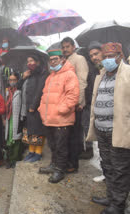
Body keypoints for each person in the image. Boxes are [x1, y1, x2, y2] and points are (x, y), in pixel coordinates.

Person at [87, 42, 130, 214]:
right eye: (104, 57)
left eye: (111, 56)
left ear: (120, 56)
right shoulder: (102, 75)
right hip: (102, 130)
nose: (107, 60)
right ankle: (111, 198)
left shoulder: (127, 74)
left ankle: (118, 205)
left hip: (118, 130)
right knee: (108, 166)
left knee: (120, 169)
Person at [38, 49, 79, 183]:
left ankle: (60, 170)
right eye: (51, 60)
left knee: (61, 147)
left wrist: (61, 110)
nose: (53, 62)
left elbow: (72, 96)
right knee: (53, 145)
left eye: (55, 59)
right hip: (49, 119)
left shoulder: (69, 75)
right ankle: (54, 165)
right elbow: (45, 95)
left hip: (62, 119)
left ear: (62, 59)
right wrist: (41, 109)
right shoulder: (51, 76)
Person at [61, 37, 89, 173]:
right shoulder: (64, 61)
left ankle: (73, 164)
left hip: (76, 104)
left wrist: (79, 102)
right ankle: (68, 161)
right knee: (67, 135)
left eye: (67, 46)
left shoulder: (79, 59)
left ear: (73, 47)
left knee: (74, 135)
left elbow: (82, 81)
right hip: (67, 103)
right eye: (63, 47)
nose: (65, 49)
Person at [21, 55, 48, 163]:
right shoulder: (29, 74)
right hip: (27, 107)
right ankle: (31, 151)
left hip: (37, 107)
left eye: (32, 60)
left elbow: (40, 90)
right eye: (28, 61)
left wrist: (33, 105)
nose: (29, 63)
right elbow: (19, 87)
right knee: (30, 131)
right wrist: (23, 78)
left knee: (38, 131)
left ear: (37, 62)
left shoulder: (43, 73)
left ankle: (38, 153)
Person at [79, 41, 103, 160]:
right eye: (91, 55)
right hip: (89, 104)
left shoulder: (109, 68)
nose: (94, 57)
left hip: (104, 107)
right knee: (86, 127)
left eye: (96, 54)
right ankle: (89, 150)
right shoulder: (91, 68)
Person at [5, 72, 23, 168]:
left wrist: (22, 117)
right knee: (9, 138)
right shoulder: (7, 91)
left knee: (16, 138)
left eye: (14, 80)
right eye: (10, 80)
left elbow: (23, 105)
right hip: (9, 117)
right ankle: (9, 159)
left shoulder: (20, 91)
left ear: (17, 80)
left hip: (17, 117)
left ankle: (15, 159)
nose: (12, 82)